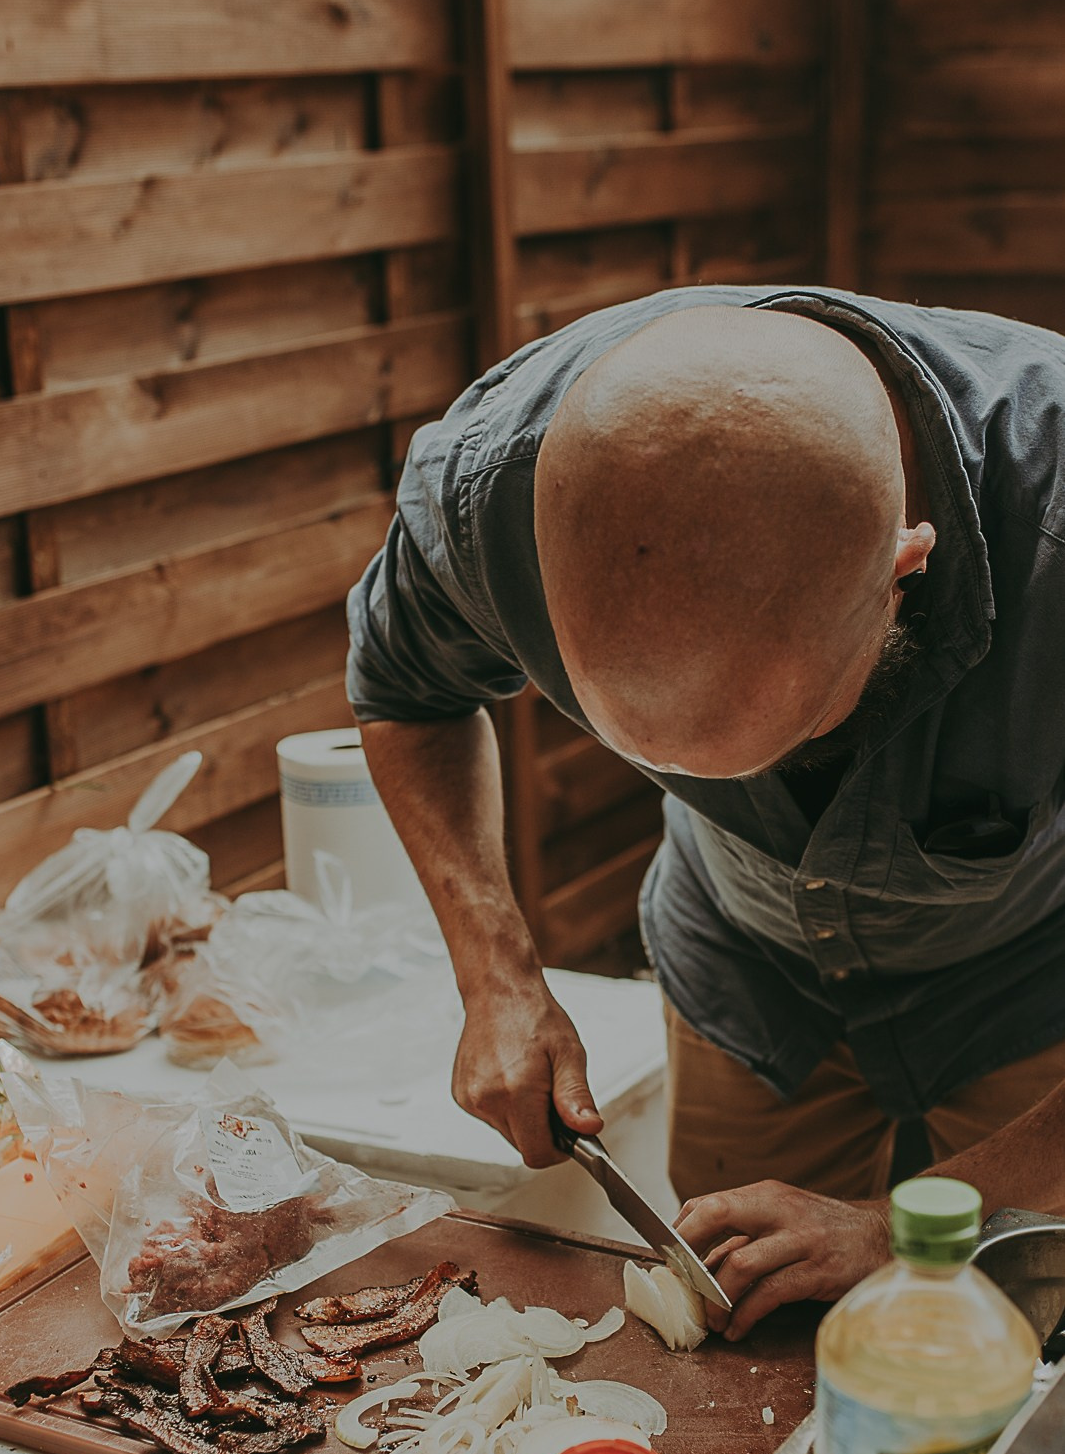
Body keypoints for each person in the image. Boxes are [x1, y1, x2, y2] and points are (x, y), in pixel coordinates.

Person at [346, 288, 1065, 1335]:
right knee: (738, 1333)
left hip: (1027, 982)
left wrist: (894, 1229)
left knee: (994, 1344)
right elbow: (406, 690)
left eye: (777, 735)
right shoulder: (484, 491)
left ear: (904, 567)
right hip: (747, 972)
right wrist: (495, 976)